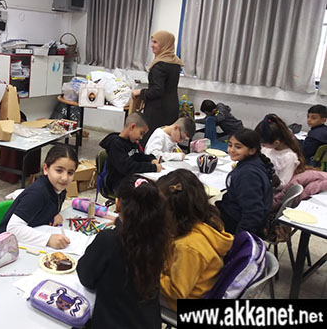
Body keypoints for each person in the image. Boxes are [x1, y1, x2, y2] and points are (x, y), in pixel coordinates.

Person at [76, 176, 171, 329]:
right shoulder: (160, 236)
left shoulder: (110, 240)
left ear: (118, 203)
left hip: (112, 322)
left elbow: (86, 277)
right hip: (148, 321)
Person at [157, 169, 233, 310]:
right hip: (194, 282)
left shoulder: (187, 247)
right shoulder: (209, 220)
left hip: (182, 299)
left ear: (172, 212)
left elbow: (177, 292)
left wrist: (151, 272)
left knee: (131, 287)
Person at [0, 144, 76, 249]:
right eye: (59, 170)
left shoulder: (59, 189)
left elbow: (48, 204)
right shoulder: (38, 193)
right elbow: (13, 228)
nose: (65, 178)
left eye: (70, 173)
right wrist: (48, 240)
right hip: (6, 246)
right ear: (46, 169)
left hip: (29, 239)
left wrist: (54, 213)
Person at [216, 129, 277, 237]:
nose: (231, 150)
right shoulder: (255, 162)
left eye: (238, 147)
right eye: (230, 145)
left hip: (237, 223)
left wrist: (240, 240)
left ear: (252, 151)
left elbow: (253, 212)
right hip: (235, 211)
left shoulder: (247, 175)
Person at [131, 30, 183, 145]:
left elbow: (157, 91)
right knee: (166, 142)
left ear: (164, 44)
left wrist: (140, 92)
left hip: (158, 111)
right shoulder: (175, 63)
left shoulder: (159, 65)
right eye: (152, 42)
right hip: (172, 108)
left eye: (155, 42)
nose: (152, 45)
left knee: (152, 142)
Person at [99, 112, 162, 194]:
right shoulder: (116, 144)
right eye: (141, 133)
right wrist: (153, 168)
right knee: (148, 193)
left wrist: (151, 159)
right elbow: (127, 167)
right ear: (132, 127)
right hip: (118, 184)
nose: (141, 137)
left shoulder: (132, 141)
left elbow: (139, 156)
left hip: (131, 179)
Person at [255, 114, 306, 190]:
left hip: (269, 191)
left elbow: (282, 184)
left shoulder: (289, 157)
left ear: (276, 143)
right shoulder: (267, 148)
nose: (262, 146)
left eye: (263, 144)